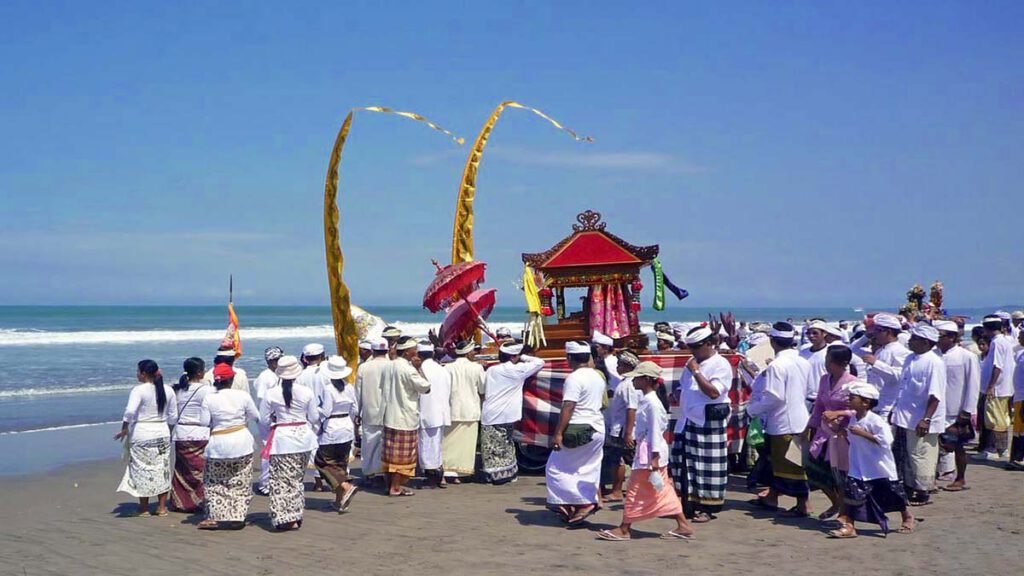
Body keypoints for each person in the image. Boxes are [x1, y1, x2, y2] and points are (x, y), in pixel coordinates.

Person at [596, 362, 694, 542]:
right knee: (662, 490)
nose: (633, 380)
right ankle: (683, 525)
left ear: (647, 380)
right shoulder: (649, 401)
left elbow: (656, 431)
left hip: (649, 454)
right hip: (650, 452)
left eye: (638, 377)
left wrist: (654, 458)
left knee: (635, 490)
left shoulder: (652, 404)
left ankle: (625, 528)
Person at [822, 380, 916, 538]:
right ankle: (849, 526)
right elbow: (852, 438)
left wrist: (862, 433)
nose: (849, 400)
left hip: (878, 466)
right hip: (858, 464)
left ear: (865, 402)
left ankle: (907, 516)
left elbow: (886, 441)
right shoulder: (854, 419)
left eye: (853, 398)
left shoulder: (875, 420)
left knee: (892, 493)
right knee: (852, 494)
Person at [747, 322, 812, 517]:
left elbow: (775, 396)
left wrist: (753, 409)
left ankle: (803, 505)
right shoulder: (803, 361)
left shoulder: (777, 364)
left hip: (783, 421)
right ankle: (772, 497)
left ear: (773, 341)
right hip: (800, 416)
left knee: (790, 465)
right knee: (785, 463)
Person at [671, 324, 733, 522]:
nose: (693, 352)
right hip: (688, 419)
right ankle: (688, 504)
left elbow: (714, 392)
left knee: (708, 466)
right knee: (685, 464)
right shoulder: (691, 362)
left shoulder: (719, 364)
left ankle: (708, 507)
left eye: (696, 347)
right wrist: (678, 393)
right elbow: (684, 386)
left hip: (708, 421)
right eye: (691, 347)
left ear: (708, 344)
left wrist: (697, 372)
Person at [546, 340, 607, 525]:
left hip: (579, 428)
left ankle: (579, 502)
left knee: (554, 468)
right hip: (597, 427)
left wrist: (558, 433)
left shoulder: (574, 378)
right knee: (587, 467)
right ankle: (576, 503)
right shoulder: (597, 375)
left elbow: (569, 405)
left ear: (569, 358)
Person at [258, 355, 318, 531]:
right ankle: (296, 514)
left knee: (280, 480)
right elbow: (314, 417)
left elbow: (263, 419)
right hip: (304, 438)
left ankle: (286, 517)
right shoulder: (306, 392)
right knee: (297, 479)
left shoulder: (271, 393)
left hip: (282, 438)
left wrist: (275, 423)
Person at [197, 363, 259, 530]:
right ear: (232, 379)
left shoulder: (209, 398)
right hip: (242, 442)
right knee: (241, 481)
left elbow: (203, 422)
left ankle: (216, 517)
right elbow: (255, 415)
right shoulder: (243, 396)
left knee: (215, 482)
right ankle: (237, 516)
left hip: (218, 443)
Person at [891, 323, 945, 506]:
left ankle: (923, 491)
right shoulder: (910, 359)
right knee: (907, 454)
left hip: (923, 417)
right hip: (905, 415)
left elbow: (935, 394)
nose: (910, 342)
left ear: (924, 342)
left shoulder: (934, 362)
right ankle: (908, 486)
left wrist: (926, 418)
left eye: (914, 339)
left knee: (922, 454)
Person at [115, 360, 178, 517]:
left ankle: (144, 508)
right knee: (162, 469)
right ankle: (162, 507)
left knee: (142, 469)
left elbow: (130, 412)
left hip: (142, 432)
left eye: (138, 371)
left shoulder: (139, 390)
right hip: (162, 431)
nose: (137, 374)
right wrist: (168, 431)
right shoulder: (168, 390)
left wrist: (124, 428)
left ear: (144, 373)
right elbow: (173, 416)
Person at [480, 342, 544, 485]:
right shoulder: (519, 370)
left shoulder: (492, 370)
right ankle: (508, 474)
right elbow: (540, 362)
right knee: (507, 445)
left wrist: (518, 357)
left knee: (491, 448)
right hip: (508, 414)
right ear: (514, 356)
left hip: (491, 412)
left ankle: (495, 476)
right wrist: (523, 357)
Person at [805, 345, 857, 522]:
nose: (826, 365)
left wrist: (840, 415)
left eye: (830, 362)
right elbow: (819, 405)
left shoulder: (853, 383)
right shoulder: (824, 380)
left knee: (839, 475)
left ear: (842, 364)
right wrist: (810, 427)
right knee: (815, 471)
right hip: (823, 433)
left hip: (842, 435)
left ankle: (844, 512)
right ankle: (836, 502)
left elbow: (858, 411)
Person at [381, 336, 431, 497]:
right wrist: (419, 369)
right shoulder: (408, 369)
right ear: (408, 352)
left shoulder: (388, 366)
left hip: (390, 415)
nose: (416, 352)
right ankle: (395, 487)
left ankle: (390, 485)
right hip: (405, 417)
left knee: (390, 454)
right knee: (402, 457)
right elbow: (426, 387)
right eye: (414, 350)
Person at [933, 320, 981, 488]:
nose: (937, 339)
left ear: (952, 337)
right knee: (934, 446)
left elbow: (973, 384)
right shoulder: (933, 355)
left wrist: (967, 410)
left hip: (956, 408)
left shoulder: (966, 356)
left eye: (940, 336)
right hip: (935, 408)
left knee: (958, 446)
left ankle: (960, 478)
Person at [314, 356, 359, 511]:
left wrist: (315, 409)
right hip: (346, 426)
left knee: (322, 462)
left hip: (332, 427)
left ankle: (346, 485)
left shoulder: (328, 389)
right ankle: (339, 501)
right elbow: (355, 409)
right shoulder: (349, 387)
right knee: (341, 464)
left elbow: (325, 411)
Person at [169, 357, 211, 513]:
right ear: (199, 372)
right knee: (200, 471)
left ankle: (181, 502)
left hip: (181, 433)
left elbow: (173, 415)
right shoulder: (206, 390)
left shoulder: (177, 389)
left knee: (182, 470)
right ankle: (198, 501)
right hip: (199, 433)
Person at [850, 313, 910, 419]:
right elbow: (852, 349)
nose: (875, 334)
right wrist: (866, 336)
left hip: (887, 407)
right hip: (872, 404)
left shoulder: (901, 351)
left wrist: (876, 364)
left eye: (878, 331)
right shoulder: (879, 350)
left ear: (888, 332)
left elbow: (898, 377)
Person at [601, 351, 642, 501]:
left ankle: (617, 490)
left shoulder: (629, 384)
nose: (617, 367)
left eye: (619, 365)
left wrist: (628, 433)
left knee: (622, 460)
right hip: (621, 428)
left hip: (623, 429)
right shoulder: (625, 383)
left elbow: (632, 408)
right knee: (621, 459)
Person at [443, 340, 486, 483]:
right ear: (468, 353)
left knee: (448, 442)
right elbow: (483, 389)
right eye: (473, 351)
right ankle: (459, 473)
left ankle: (448, 471)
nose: (475, 353)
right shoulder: (476, 368)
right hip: (470, 409)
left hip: (452, 408)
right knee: (465, 445)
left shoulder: (447, 367)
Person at [976, 315, 1016, 461]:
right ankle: (999, 449)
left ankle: (994, 449)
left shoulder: (997, 343)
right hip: (1003, 387)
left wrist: (991, 386)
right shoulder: (1003, 341)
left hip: (998, 388)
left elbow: (997, 366)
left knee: (994, 419)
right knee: (1000, 418)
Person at [355, 338, 390, 485]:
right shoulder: (392, 365)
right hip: (388, 411)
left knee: (369, 443)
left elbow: (358, 391)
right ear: (387, 351)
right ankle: (383, 471)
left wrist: (357, 411)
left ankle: (371, 473)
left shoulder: (364, 367)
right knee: (384, 442)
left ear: (373, 351)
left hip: (369, 410)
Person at [417, 341, 452, 488]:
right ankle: (438, 475)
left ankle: (432, 478)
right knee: (436, 445)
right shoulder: (442, 369)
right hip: (441, 412)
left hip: (425, 412)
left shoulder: (419, 370)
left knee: (427, 446)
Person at [252, 346, 283, 495]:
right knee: (267, 450)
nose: (278, 362)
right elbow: (262, 399)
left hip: (277, 418)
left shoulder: (279, 375)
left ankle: (274, 480)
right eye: (276, 360)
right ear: (269, 361)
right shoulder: (265, 377)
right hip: (267, 418)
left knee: (276, 449)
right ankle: (265, 483)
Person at [1008, 329, 1024, 470]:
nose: (1018, 337)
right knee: (1018, 429)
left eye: (1021, 335)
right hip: (1019, 396)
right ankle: (1017, 458)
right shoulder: (1020, 354)